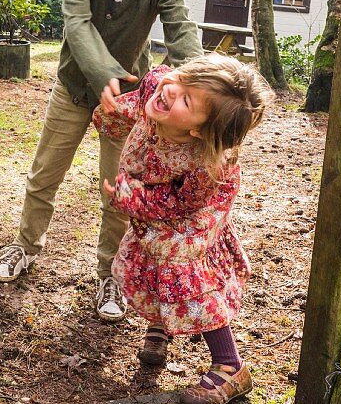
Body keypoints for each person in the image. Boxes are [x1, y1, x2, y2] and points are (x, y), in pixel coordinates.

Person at [0, 0, 203, 322]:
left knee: (119, 191)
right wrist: (103, 71)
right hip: (73, 88)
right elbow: (77, 24)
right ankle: (24, 247)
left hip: (128, 104)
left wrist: (190, 80)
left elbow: (182, 32)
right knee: (45, 174)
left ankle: (110, 276)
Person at [96, 53, 274, 404]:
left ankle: (230, 366)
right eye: (182, 78)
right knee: (147, 252)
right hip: (152, 190)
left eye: (187, 99)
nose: (171, 90)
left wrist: (132, 197)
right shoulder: (158, 87)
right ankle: (161, 324)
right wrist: (111, 110)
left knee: (179, 265)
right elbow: (123, 116)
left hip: (196, 209)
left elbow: (178, 204)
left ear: (197, 129)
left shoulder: (206, 165)